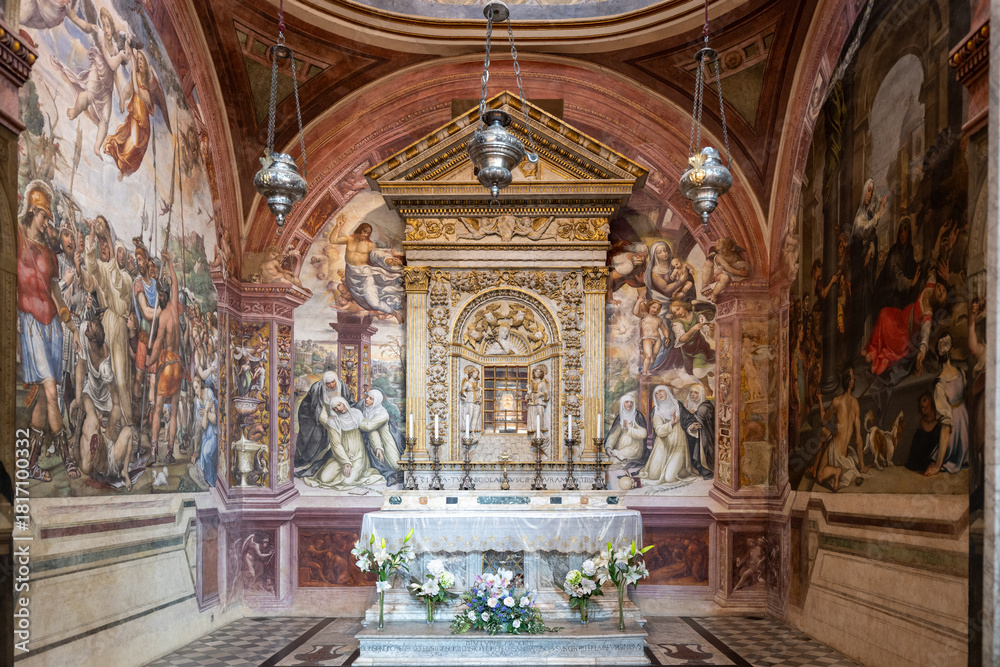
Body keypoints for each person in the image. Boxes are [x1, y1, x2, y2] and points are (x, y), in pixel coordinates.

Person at [18, 181, 77, 481]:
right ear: (31, 210)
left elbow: (56, 293)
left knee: (43, 398)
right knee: (51, 390)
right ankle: (68, 459)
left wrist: (70, 325)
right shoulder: (16, 239)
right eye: (43, 215)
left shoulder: (50, 255)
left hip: (52, 327)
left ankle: (29, 465)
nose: (46, 222)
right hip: (30, 325)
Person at [79, 218, 135, 425]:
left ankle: (127, 422)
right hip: (107, 323)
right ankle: (113, 420)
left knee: (120, 376)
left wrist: (111, 244)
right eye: (115, 251)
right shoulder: (106, 268)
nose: (117, 255)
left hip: (118, 325)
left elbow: (118, 283)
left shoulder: (127, 277)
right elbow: (92, 267)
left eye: (121, 252)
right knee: (107, 374)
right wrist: (92, 237)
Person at [51, 7, 128, 156]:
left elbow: (115, 74)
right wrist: (72, 15)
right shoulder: (100, 35)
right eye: (103, 24)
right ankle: (75, 111)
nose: (106, 29)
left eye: (108, 25)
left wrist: (122, 97)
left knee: (105, 120)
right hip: (97, 74)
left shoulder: (114, 45)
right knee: (87, 96)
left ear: (112, 26)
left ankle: (96, 147)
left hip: (108, 85)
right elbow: (86, 27)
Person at [147, 252, 185, 463]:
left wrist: (148, 362)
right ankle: (169, 453)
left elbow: (157, 347)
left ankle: (153, 454)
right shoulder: (175, 311)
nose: (158, 298)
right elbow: (176, 282)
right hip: (178, 366)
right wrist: (170, 262)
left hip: (168, 366)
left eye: (159, 295)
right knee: (174, 414)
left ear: (163, 294)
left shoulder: (162, 318)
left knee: (158, 408)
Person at [328, 220, 404, 322]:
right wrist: (337, 226)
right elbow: (333, 240)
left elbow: (379, 255)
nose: (365, 235)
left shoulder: (370, 245)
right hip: (351, 275)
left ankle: (394, 312)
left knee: (374, 303)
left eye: (368, 233)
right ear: (359, 231)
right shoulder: (350, 239)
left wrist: (388, 260)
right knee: (362, 302)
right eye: (364, 232)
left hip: (365, 276)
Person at [303, 396, 384, 489]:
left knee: (347, 482)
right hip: (340, 457)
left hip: (358, 455)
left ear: (344, 403)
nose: (338, 409)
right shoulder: (332, 421)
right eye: (335, 408)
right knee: (324, 478)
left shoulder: (356, 414)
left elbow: (370, 429)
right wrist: (345, 462)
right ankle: (346, 470)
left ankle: (354, 472)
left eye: (339, 405)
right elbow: (336, 444)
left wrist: (378, 446)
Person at [810, 369, 868, 492]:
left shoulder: (837, 401)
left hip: (835, 450)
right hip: (844, 455)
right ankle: (836, 471)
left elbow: (824, 420)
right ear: (851, 382)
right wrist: (862, 465)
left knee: (819, 477)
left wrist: (820, 401)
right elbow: (858, 439)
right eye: (853, 377)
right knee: (825, 434)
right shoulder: (855, 403)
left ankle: (836, 471)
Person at [295, 372, 354, 478]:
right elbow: (316, 408)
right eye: (328, 383)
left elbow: (348, 401)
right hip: (311, 414)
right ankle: (306, 459)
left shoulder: (342, 386)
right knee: (315, 438)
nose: (331, 385)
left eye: (333, 382)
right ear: (324, 383)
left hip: (335, 412)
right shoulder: (317, 388)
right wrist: (330, 424)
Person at [925, 334, 968, 476]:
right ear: (952, 352)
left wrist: (938, 465)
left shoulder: (940, 385)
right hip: (966, 429)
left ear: (937, 357)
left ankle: (946, 459)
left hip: (953, 435)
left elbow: (945, 427)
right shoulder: (961, 373)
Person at [638, 386, 698, 485]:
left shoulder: (677, 405)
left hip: (679, 444)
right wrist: (671, 423)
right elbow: (659, 431)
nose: (659, 395)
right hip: (663, 445)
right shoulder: (656, 410)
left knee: (670, 477)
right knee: (653, 475)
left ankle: (684, 468)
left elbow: (687, 420)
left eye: (661, 391)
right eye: (656, 393)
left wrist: (690, 426)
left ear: (666, 392)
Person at [359, 389, 405, 485]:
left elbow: (369, 427)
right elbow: (372, 431)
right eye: (366, 396)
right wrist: (378, 447)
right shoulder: (364, 407)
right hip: (372, 439)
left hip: (386, 440)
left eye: (371, 399)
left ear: (376, 401)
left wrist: (355, 421)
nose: (367, 399)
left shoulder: (382, 414)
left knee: (395, 465)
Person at [605, 394, 648, 469]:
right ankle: (621, 460)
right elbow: (614, 434)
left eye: (631, 402)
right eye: (627, 402)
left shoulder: (637, 416)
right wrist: (609, 446)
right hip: (621, 447)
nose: (629, 404)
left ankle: (621, 460)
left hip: (635, 448)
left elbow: (643, 434)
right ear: (622, 404)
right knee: (613, 460)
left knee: (615, 461)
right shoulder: (620, 417)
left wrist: (630, 429)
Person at [680, 384, 715, 478]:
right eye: (691, 392)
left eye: (695, 392)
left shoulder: (705, 406)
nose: (692, 394)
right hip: (696, 435)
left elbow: (699, 421)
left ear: (701, 394)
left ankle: (702, 468)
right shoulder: (693, 404)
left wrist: (686, 410)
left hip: (706, 436)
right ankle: (692, 466)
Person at [904, 392, 941, 472]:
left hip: (934, 461)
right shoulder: (921, 424)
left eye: (925, 400)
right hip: (919, 464)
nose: (923, 406)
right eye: (921, 406)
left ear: (930, 400)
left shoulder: (940, 421)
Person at [634, 299, 671, 376]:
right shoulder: (644, 315)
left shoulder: (659, 319)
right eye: (653, 307)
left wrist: (667, 337)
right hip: (647, 338)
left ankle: (647, 369)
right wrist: (639, 301)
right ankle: (644, 373)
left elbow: (664, 329)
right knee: (648, 355)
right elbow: (636, 312)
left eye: (657, 309)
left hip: (657, 339)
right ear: (649, 307)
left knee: (653, 357)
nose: (655, 310)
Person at [194, 376, 219, 487]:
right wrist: (206, 409)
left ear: (201, 385)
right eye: (194, 388)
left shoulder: (209, 393)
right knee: (204, 456)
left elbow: (214, 420)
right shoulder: (198, 401)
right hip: (207, 434)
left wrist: (205, 412)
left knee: (206, 453)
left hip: (215, 432)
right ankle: (211, 482)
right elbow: (203, 426)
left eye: (196, 387)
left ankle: (212, 482)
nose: (195, 391)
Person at [460, 366, 483, 437]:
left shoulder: (477, 383)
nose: (476, 374)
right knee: (470, 415)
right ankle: (467, 431)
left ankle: (473, 431)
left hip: (477, 401)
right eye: (475, 373)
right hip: (470, 401)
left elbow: (480, 391)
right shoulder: (467, 382)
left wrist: (480, 392)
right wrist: (466, 396)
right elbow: (463, 390)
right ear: (472, 373)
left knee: (476, 416)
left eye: (477, 373)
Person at [526, 365, 549, 435]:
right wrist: (528, 395)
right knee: (532, 415)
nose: (538, 373)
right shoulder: (531, 383)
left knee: (539, 414)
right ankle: (532, 429)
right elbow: (529, 392)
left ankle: (539, 431)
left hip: (539, 402)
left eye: (539, 372)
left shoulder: (543, 383)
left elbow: (547, 393)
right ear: (534, 373)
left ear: (541, 374)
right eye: (536, 372)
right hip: (532, 401)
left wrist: (541, 394)